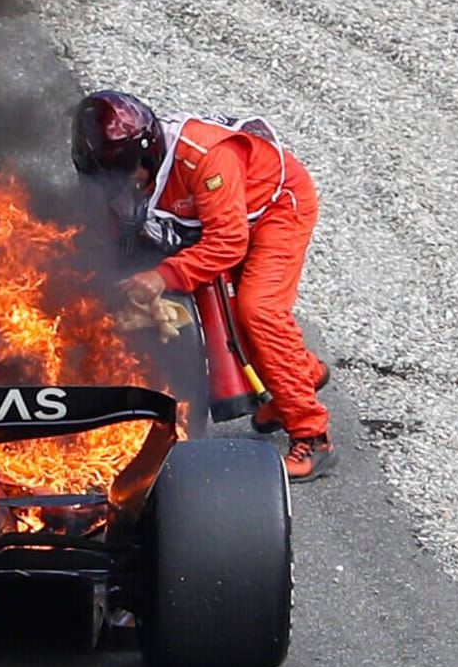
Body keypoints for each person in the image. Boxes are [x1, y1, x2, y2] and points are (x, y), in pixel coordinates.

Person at [71, 90, 335, 482]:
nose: (119, 188)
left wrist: (162, 277)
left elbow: (227, 242)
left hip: (276, 208)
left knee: (258, 310)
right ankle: (300, 375)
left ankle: (313, 436)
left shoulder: (205, 158)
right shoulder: (124, 169)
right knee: (231, 315)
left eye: (123, 177)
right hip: (222, 218)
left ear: (147, 157)